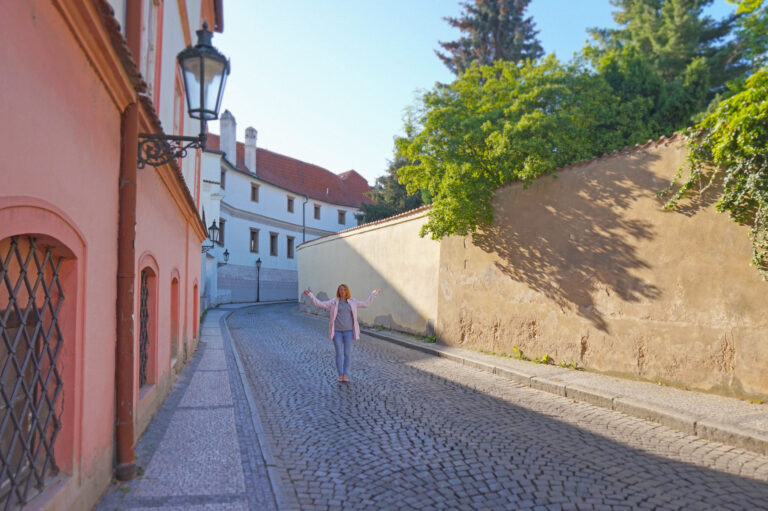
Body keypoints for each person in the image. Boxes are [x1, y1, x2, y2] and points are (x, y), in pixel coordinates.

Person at [303, 284, 381, 382]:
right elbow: (320, 304)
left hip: (348, 332)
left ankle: (346, 374)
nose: (342, 291)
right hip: (337, 332)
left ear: (347, 291)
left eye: (344, 289)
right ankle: (340, 374)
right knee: (339, 353)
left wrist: (374, 293)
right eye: (340, 290)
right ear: (338, 291)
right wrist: (310, 295)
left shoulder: (352, 302)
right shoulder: (334, 302)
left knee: (347, 354)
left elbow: (366, 304)